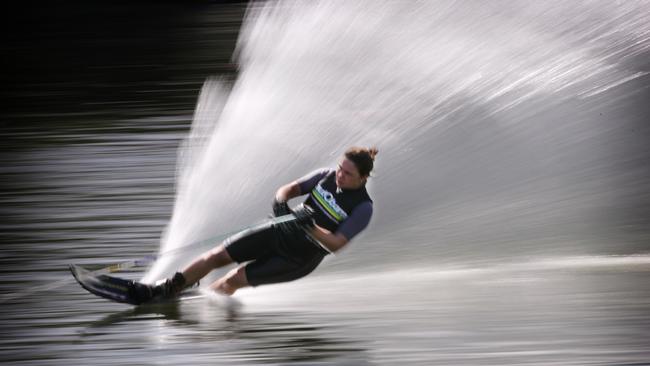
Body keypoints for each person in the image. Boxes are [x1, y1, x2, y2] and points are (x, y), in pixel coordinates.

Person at [129, 146, 378, 304]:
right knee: (218, 255)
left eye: (347, 174)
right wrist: (281, 201)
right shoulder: (325, 176)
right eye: (339, 168)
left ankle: (201, 303)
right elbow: (289, 188)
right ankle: (169, 288)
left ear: (363, 178)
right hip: (278, 230)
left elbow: (336, 244)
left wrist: (311, 227)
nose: (339, 175)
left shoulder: (363, 207)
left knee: (233, 279)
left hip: (297, 258)